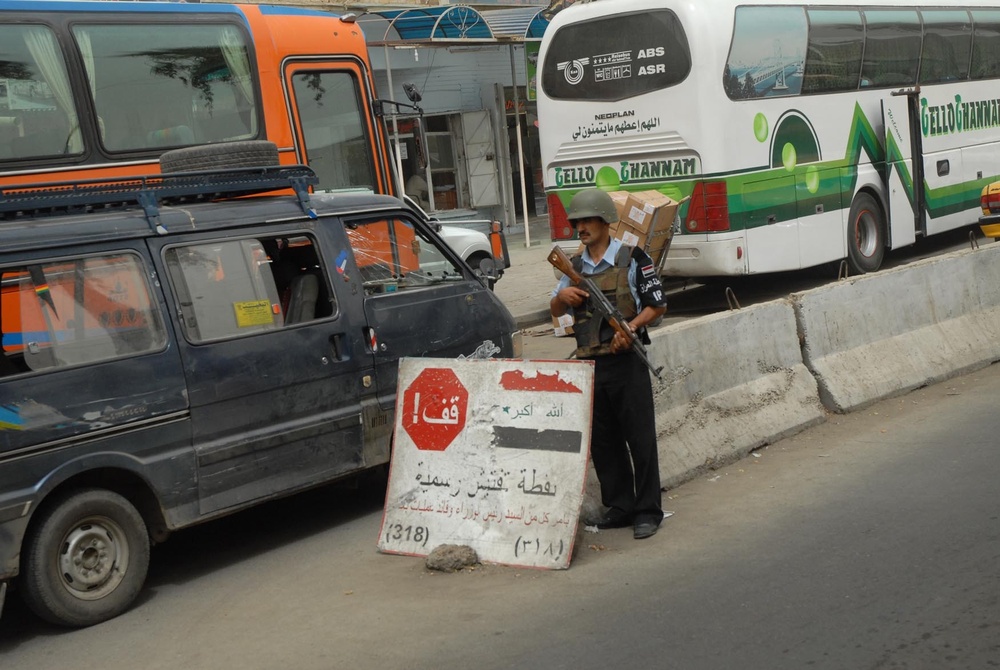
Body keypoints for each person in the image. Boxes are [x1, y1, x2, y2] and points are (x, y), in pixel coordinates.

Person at [549, 189, 667, 539]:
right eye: (576, 222)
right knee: (604, 442)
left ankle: (647, 510)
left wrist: (630, 327)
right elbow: (555, 312)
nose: (580, 228)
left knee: (640, 439)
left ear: (604, 222)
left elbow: (657, 305)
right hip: (590, 364)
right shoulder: (574, 267)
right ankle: (620, 507)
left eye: (586, 221)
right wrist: (561, 298)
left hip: (627, 361)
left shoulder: (633, 257)